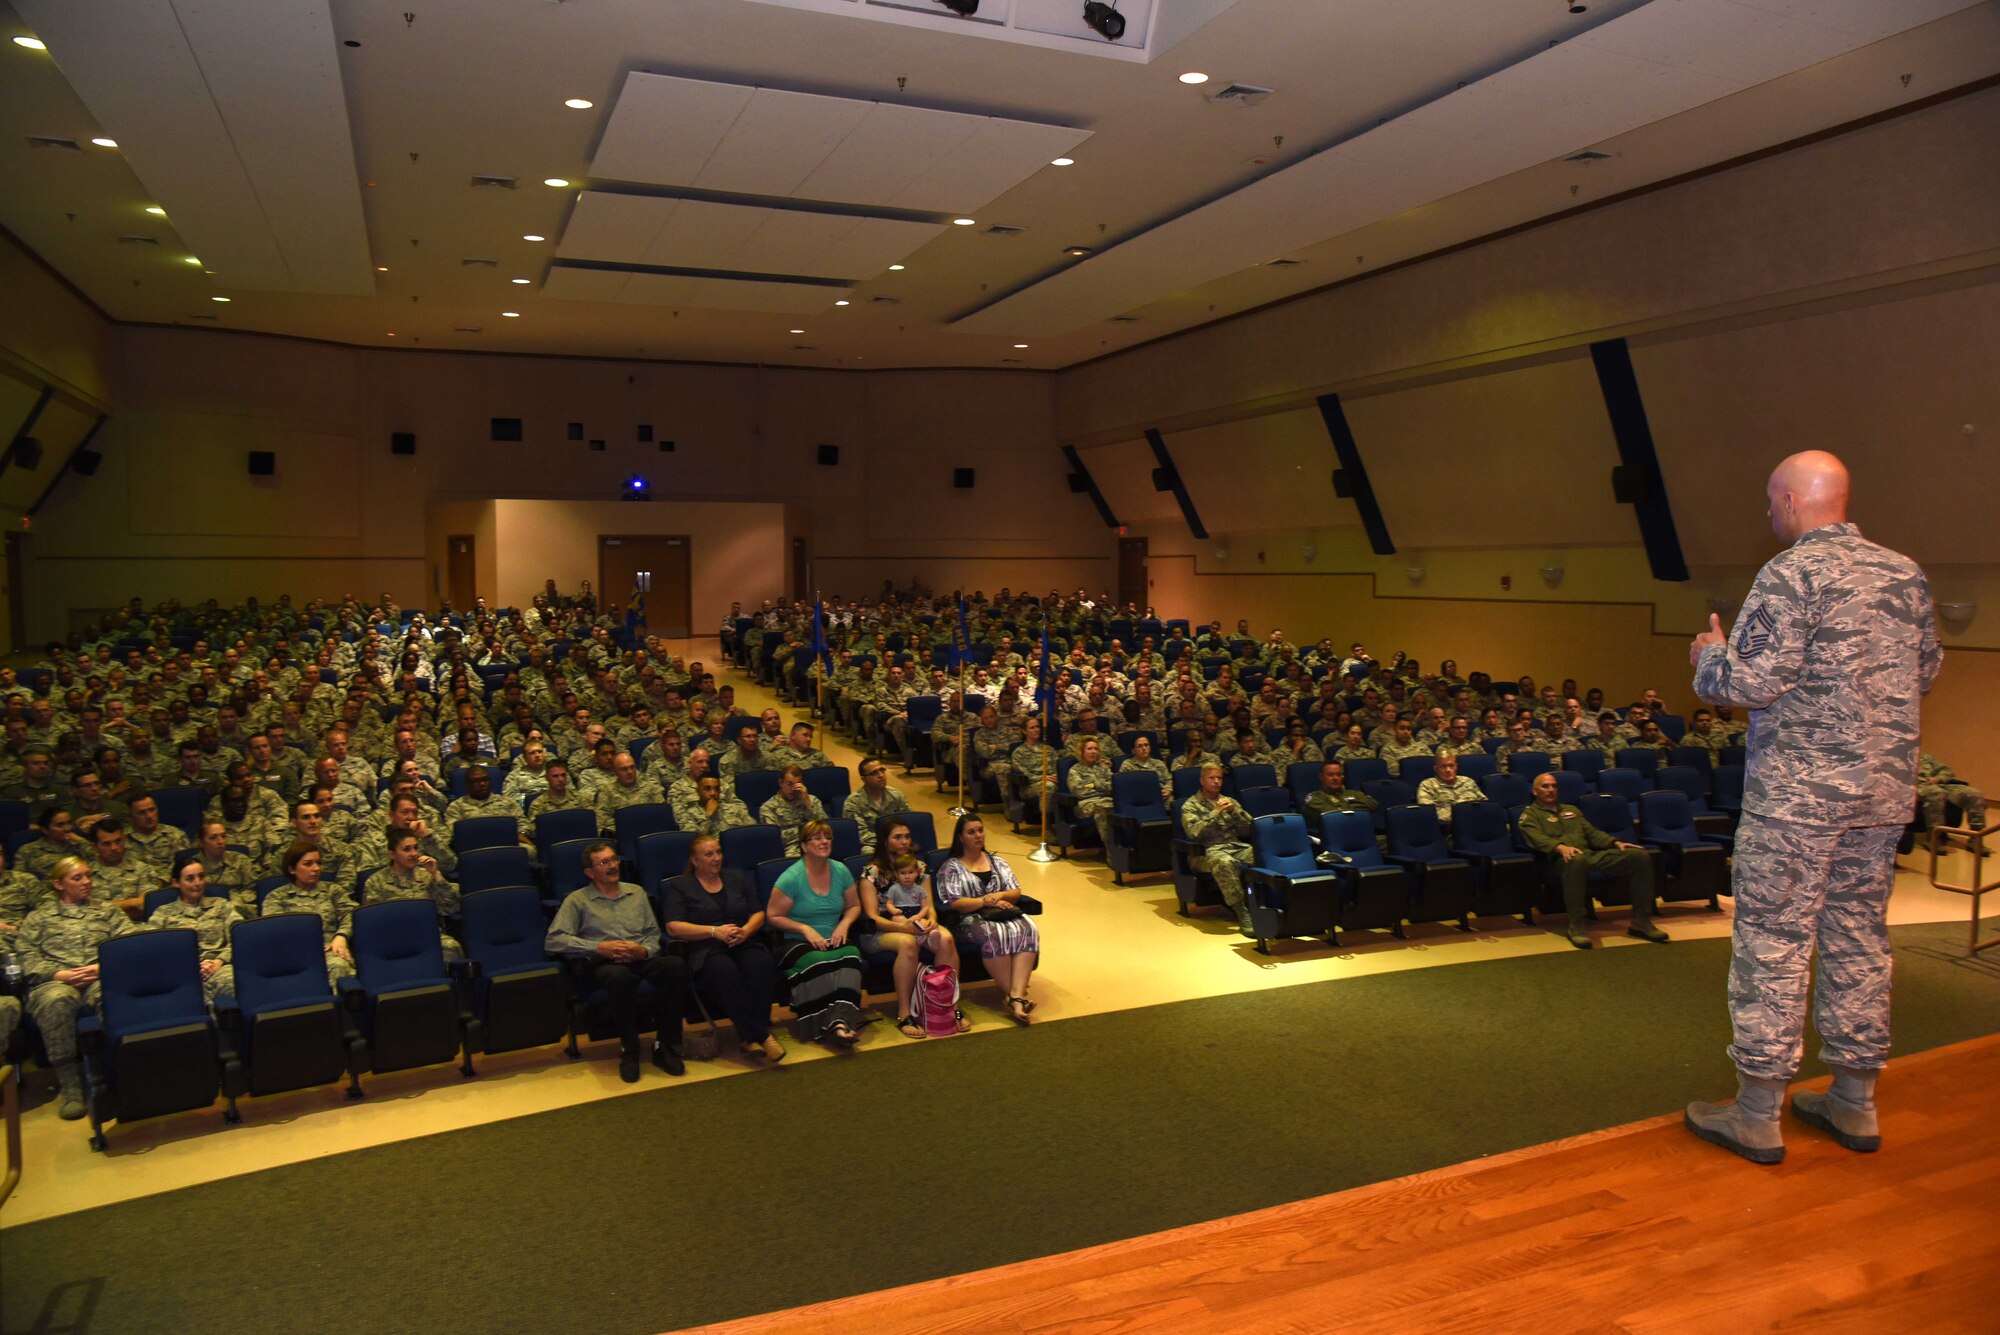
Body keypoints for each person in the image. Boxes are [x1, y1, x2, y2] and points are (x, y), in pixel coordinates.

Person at [1684, 450, 1940, 1165]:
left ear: (1791, 502)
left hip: (1797, 799)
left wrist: (1710, 652)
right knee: (1859, 936)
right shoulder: (1904, 572)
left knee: (1773, 939)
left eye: (1771, 502)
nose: (1769, 515)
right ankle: (1854, 1101)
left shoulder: (1791, 572)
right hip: (1881, 794)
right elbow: (1927, 670)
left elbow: (1750, 681)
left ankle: (1757, 1112)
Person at [544, 841, 689, 1082]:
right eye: (604, 862)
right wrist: (599, 947)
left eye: (614, 860)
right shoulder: (577, 900)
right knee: (620, 978)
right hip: (604, 963)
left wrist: (642, 951)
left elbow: (653, 934)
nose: (612, 866)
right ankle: (630, 1050)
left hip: (637, 957)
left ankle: (664, 1045)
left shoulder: (637, 893)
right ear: (590, 873)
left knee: (674, 966)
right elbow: (554, 941)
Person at [15, 855, 138, 1118]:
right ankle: (70, 1085)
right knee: (56, 1001)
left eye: (89, 876)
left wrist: (100, 968)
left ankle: (117, 1076)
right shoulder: (39, 918)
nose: (87, 882)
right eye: (78, 877)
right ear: (59, 884)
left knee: (114, 997)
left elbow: (130, 945)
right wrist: (61, 974)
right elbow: (26, 958)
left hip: (99, 977)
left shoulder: (106, 911)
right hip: (55, 982)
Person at [660, 835, 784, 1063]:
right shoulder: (679, 886)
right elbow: (673, 926)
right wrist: (714, 931)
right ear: (695, 861)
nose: (716, 858)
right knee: (725, 971)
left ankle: (750, 1037)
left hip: (742, 940)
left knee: (762, 963)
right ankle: (762, 1035)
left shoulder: (737, 878)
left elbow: (758, 913)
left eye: (718, 852)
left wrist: (746, 931)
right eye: (709, 854)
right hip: (707, 949)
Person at [1517, 772, 1665, 950]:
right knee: (1576, 860)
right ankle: (1576, 926)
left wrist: (1615, 843)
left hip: (1587, 854)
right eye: (1545, 786)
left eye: (1554, 786)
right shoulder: (1529, 815)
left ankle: (1641, 921)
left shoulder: (1572, 810)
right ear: (1535, 791)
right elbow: (1537, 839)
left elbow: (1592, 833)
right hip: (1556, 862)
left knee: (1638, 856)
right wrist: (1560, 847)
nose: (1551, 790)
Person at [764, 820, 865, 1045]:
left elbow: (854, 906)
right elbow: (773, 916)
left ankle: (840, 1023)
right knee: (819, 961)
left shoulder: (840, 870)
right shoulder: (791, 878)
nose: (824, 842)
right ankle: (826, 1024)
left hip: (834, 935)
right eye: (817, 838)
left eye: (827, 837)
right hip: (796, 941)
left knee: (850, 958)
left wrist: (844, 924)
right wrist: (804, 928)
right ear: (804, 845)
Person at [934, 814, 1039, 1022]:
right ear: (961, 837)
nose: (978, 835)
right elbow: (953, 902)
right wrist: (984, 901)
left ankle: (1015, 996)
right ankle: (1015, 996)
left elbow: (1015, 891)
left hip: (999, 911)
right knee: (995, 934)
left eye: (980, 830)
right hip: (968, 919)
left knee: (1028, 928)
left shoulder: (997, 861)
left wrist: (999, 896)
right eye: (971, 832)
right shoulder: (951, 867)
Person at [859, 841, 964, 1039]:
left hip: (917, 923)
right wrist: (902, 927)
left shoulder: (919, 867)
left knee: (946, 938)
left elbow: (929, 906)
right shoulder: (871, 873)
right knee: (907, 943)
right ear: (885, 839)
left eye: (907, 836)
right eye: (897, 837)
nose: (904, 841)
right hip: (882, 929)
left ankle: (948, 1007)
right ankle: (905, 1013)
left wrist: (932, 920)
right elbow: (873, 918)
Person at [147, 851, 242, 1001]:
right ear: (176, 882)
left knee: (237, 985)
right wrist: (188, 967)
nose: (197, 883)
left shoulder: (221, 905)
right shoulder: (163, 914)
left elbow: (240, 938)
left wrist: (219, 961)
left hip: (219, 968)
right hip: (180, 973)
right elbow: (152, 949)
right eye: (190, 879)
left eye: (201, 877)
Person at [260, 842, 358, 987]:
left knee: (339, 967)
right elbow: (274, 932)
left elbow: (351, 914)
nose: (316, 868)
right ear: (292, 869)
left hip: (330, 949)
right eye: (308, 864)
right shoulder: (276, 897)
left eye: (318, 863)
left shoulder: (333, 890)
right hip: (294, 953)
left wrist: (341, 936)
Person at [1180, 764, 1256, 934]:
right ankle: (1242, 912)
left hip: (1236, 846)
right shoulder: (1190, 805)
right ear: (1202, 780)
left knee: (1263, 855)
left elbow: (1249, 830)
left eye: (1219, 778)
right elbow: (1194, 833)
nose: (1216, 782)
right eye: (1211, 778)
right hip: (1207, 852)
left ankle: (1265, 904)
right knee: (1225, 862)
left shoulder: (1230, 801)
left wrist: (1235, 812)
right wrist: (1215, 813)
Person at [842, 757, 910, 855]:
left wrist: (898, 840)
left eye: (882, 770)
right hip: (873, 845)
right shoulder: (853, 802)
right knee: (868, 851)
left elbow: (908, 821)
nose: (881, 775)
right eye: (874, 773)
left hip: (898, 840)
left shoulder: (896, 795)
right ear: (863, 779)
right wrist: (889, 842)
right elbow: (861, 835)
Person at [759, 765, 827, 856]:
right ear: (780, 783)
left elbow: (825, 828)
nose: (793, 789)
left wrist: (808, 804)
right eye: (789, 784)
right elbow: (775, 839)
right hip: (789, 852)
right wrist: (806, 832)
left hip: (815, 848)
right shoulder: (768, 808)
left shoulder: (811, 800)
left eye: (797, 784)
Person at [1915, 753, 1985, 831]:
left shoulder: (1925, 758)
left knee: (1974, 794)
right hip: (1913, 788)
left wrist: (1938, 778)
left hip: (1936, 785)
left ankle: (1976, 834)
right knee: (1936, 793)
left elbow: (1947, 770)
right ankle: (1934, 834)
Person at [1068, 737, 1116, 851]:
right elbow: (1080, 792)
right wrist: (1103, 788)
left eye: (1095, 749)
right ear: (1081, 752)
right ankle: (1111, 850)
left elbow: (1114, 786)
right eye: (1089, 749)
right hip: (1085, 804)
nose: (1093, 751)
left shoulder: (1103, 768)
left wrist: (1094, 785)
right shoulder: (1075, 770)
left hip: (1107, 799)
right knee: (1103, 809)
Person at [1415, 752, 1483, 824]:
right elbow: (1428, 814)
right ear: (1436, 769)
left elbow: (1484, 804)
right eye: (1443, 766)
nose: (1448, 770)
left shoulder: (1468, 781)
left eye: (1451, 766)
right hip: (1446, 829)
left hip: (1475, 824)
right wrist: (1461, 815)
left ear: (1456, 767)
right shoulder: (1427, 786)